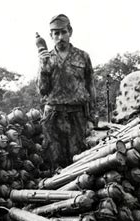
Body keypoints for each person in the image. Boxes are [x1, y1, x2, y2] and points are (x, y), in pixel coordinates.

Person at [36, 14, 97, 170]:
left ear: (70, 31)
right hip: (53, 116)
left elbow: (91, 87)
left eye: (63, 32)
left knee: (79, 158)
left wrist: (92, 118)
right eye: (56, 33)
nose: (60, 36)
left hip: (77, 114)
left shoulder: (83, 56)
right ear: (51, 36)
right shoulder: (47, 58)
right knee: (54, 160)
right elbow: (42, 91)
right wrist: (43, 66)